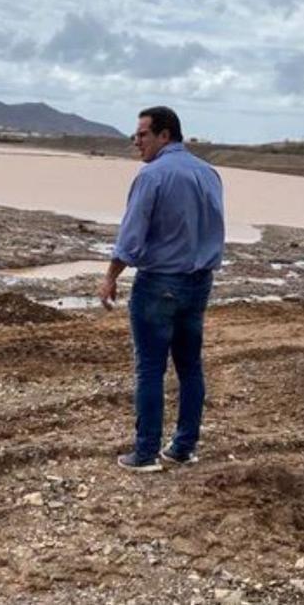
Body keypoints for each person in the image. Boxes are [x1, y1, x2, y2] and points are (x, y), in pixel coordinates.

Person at [99, 106, 225, 472]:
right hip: (199, 281)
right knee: (190, 366)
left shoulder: (152, 176)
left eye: (142, 134)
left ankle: (145, 453)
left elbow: (131, 236)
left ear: (164, 135)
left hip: (159, 283)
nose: (136, 142)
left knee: (151, 368)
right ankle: (183, 447)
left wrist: (110, 276)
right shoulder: (209, 173)